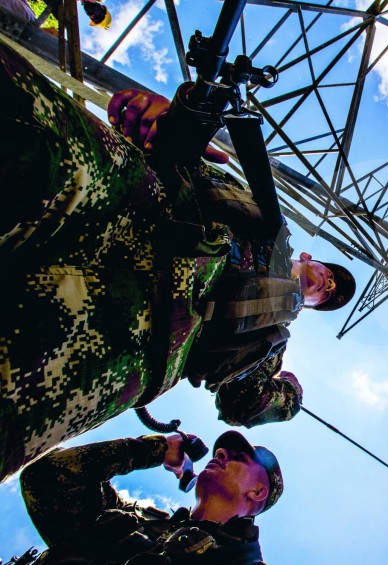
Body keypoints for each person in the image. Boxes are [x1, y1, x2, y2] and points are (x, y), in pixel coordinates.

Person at [0, 36, 356, 481]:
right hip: (130, 204)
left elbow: (243, 406)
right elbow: (183, 161)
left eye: (330, 296)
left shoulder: (272, 341)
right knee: (28, 123)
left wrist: (290, 395)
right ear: (309, 257)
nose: (327, 285)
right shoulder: (260, 209)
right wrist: (153, 124)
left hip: (130, 341)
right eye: (330, 275)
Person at [21, 430, 281, 562]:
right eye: (222, 452)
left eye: (239, 458)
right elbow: (48, 477)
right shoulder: (135, 519)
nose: (220, 453)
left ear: (258, 491)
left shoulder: (243, 561)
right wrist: (157, 450)